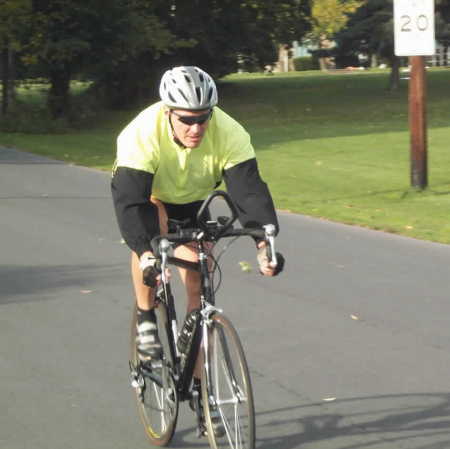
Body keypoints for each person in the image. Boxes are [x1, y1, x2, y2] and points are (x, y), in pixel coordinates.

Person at [111, 65, 284, 426]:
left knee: (201, 278)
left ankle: (203, 392)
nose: (196, 128)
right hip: (151, 196)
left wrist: (263, 243)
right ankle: (146, 318)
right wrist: (146, 252)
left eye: (203, 119)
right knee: (150, 243)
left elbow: (247, 191)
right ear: (168, 112)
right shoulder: (141, 133)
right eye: (187, 119)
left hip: (194, 201)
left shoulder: (230, 132)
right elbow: (130, 202)